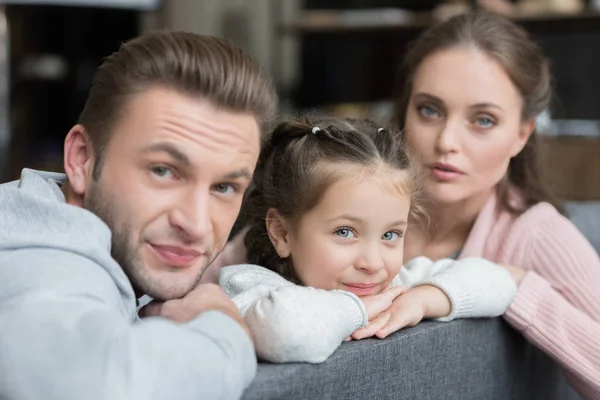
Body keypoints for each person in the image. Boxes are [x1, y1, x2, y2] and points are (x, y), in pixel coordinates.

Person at [0, 30, 277, 400]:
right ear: (81, 159)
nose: (195, 224)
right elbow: (105, 387)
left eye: (224, 187)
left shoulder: (39, 213)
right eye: (163, 171)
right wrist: (224, 328)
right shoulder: (42, 265)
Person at [392, 12, 600, 400]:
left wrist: (516, 287)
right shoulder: (355, 198)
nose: (447, 141)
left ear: (522, 134)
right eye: (430, 110)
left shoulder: (536, 233)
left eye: (483, 120)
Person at [218, 117, 517, 363]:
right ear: (282, 233)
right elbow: (284, 332)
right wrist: (361, 310)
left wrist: (425, 299)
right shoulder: (250, 288)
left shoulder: (397, 288)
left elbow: (500, 283)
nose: (372, 263)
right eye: (345, 232)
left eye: (390, 235)